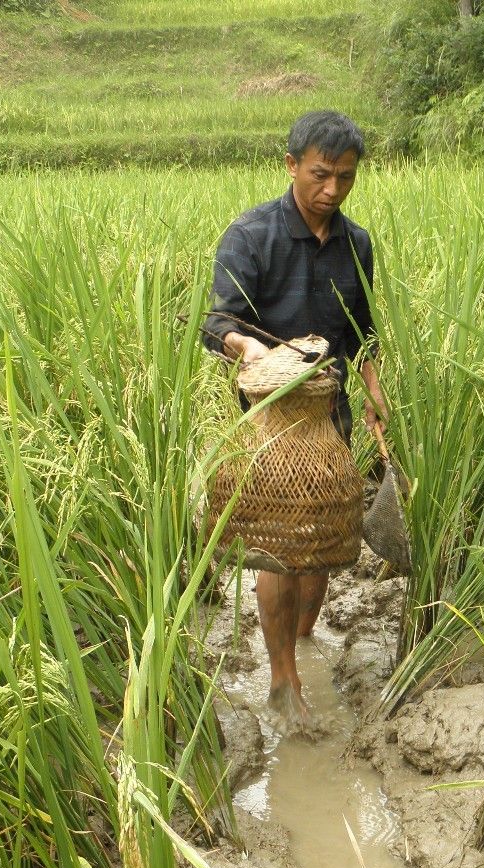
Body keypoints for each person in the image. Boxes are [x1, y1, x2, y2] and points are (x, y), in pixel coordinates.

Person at [203, 110, 388, 723]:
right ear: (291, 166)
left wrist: (372, 391)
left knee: (325, 542)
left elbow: (363, 332)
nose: (331, 190)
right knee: (280, 541)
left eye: (345, 178)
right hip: (269, 421)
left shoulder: (356, 243)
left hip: (328, 413)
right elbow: (218, 323)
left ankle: (302, 638)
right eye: (320, 175)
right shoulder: (251, 235)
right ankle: (284, 677)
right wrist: (256, 351)